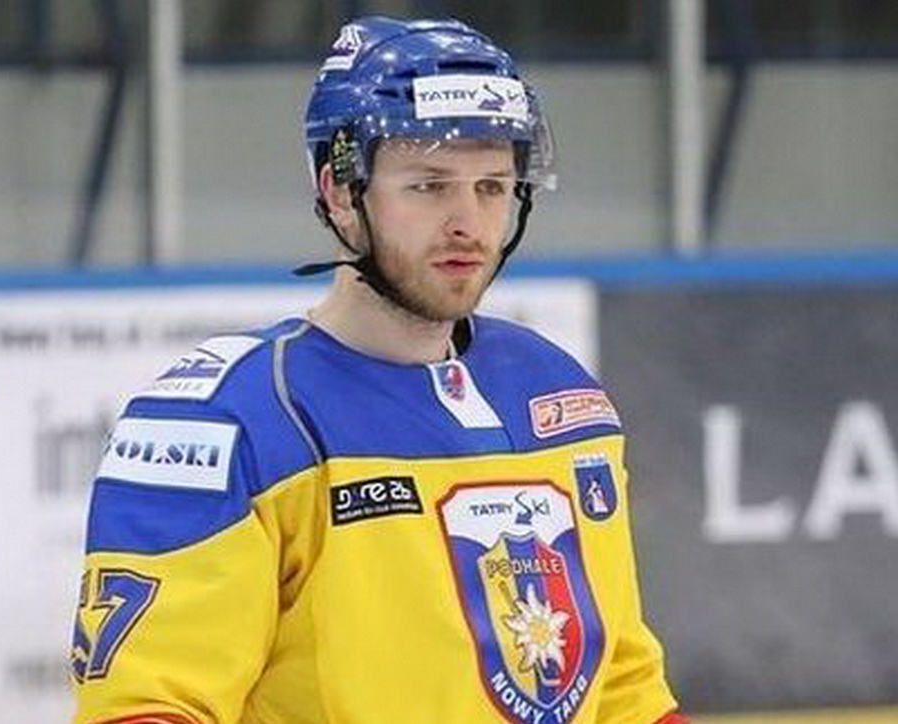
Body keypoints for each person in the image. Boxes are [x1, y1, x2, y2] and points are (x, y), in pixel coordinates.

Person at [69, 16, 687, 724]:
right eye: (429, 186)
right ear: (340, 189)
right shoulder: (231, 421)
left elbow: (622, 689)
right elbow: (150, 705)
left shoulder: (557, 394)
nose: (468, 223)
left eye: (492, 186)